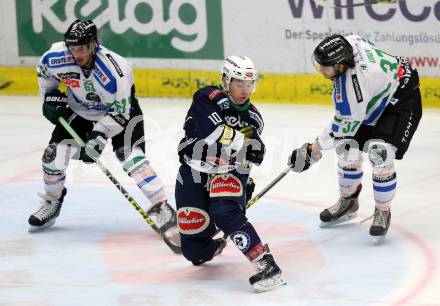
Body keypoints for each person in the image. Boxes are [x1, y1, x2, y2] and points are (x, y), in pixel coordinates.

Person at [28, 19, 179, 246]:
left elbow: (120, 113)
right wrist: (49, 98)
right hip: (80, 110)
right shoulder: (55, 57)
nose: (76, 54)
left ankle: (163, 207)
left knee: (132, 159)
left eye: (81, 48)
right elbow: (45, 74)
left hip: (121, 112)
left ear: (93, 44)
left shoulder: (116, 70)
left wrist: (98, 137)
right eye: (72, 48)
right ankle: (52, 201)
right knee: (52, 155)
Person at [288, 34, 422, 243]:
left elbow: (343, 124)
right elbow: (364, 42)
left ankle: (382, 210)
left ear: (341, 66)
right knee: (346, 148)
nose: (322, 72)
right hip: (376, 97)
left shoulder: (352, 86)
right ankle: (349, 202)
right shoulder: (349, 42)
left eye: (326, 67)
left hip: (401, 101)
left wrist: (312, 150)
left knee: (380, 154)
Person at [175, 55, 286, 292]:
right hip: (193, 168)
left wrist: (254, 151)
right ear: (225, 81)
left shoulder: (254, 117)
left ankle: (266, 264)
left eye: (249, 84)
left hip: (230, 169)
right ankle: (212, 238)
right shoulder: (206, 97)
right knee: (193, 251)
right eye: (239, 84)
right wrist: (247, 140)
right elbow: (213, 130)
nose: (245, 90)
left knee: (224, 210)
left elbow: (249, 151)